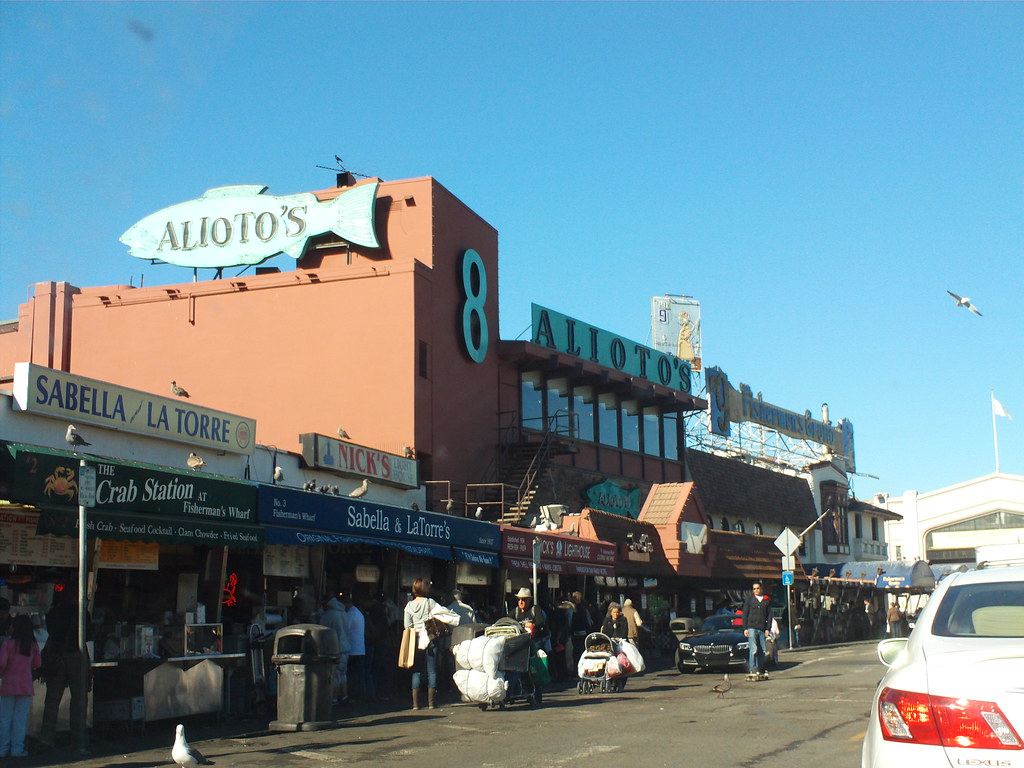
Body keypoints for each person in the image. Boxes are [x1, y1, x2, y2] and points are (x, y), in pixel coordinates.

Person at [39, 585, 92, 751]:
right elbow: (89, 635)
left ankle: (46, 740)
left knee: (52, 701)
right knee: (79, 700)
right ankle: (78, 740)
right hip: (77, 655)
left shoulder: (53, 613)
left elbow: (50, 633)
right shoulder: (82, 613)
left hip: (56, 657)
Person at [0, 615, 42, 758]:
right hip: (25, 685)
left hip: (8, 685)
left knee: (5, 718)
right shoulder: (32, 644)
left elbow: (1, 664)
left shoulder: (7, 644)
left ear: (15, 628)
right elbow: (37, 664)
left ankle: (2, 748)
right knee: (20, 719)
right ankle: (17, 749)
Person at [403, 577, 444, 710]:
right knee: (431, 670)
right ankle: (431, 703)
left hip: (416, 640)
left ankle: (415, 704)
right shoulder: (430, 602)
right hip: (430, 638)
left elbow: (407, 626)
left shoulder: (409, 606)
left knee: (417, 671)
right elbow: (441, 614)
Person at [320, 592, 353, 705]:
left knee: (334, 675)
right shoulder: (343, 612)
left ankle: (333, 698)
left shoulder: (328, 614)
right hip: (345, 647)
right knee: (343, 674)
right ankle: (344, 696)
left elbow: (321, 630)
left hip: (334, 647)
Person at [741, 581, 772, 681]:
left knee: (762, 650)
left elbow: (770, 615)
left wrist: (768, 629)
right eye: (754, 589)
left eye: (757, 588)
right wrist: (745, 628)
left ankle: (761, 668)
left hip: (762, 628)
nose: (756, 590)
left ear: (761, 588)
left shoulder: (766, 600)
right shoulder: (750, 600)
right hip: (752, 627)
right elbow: (745, 614)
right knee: (753, 649)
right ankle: (753, 669)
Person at [569, 590, 592, 670]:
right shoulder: (584, 608)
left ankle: (577, 669)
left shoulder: (576, 609)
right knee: (581, 651)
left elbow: (573, 621)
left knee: (577, 652)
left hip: (577, 632)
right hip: (583, 632)